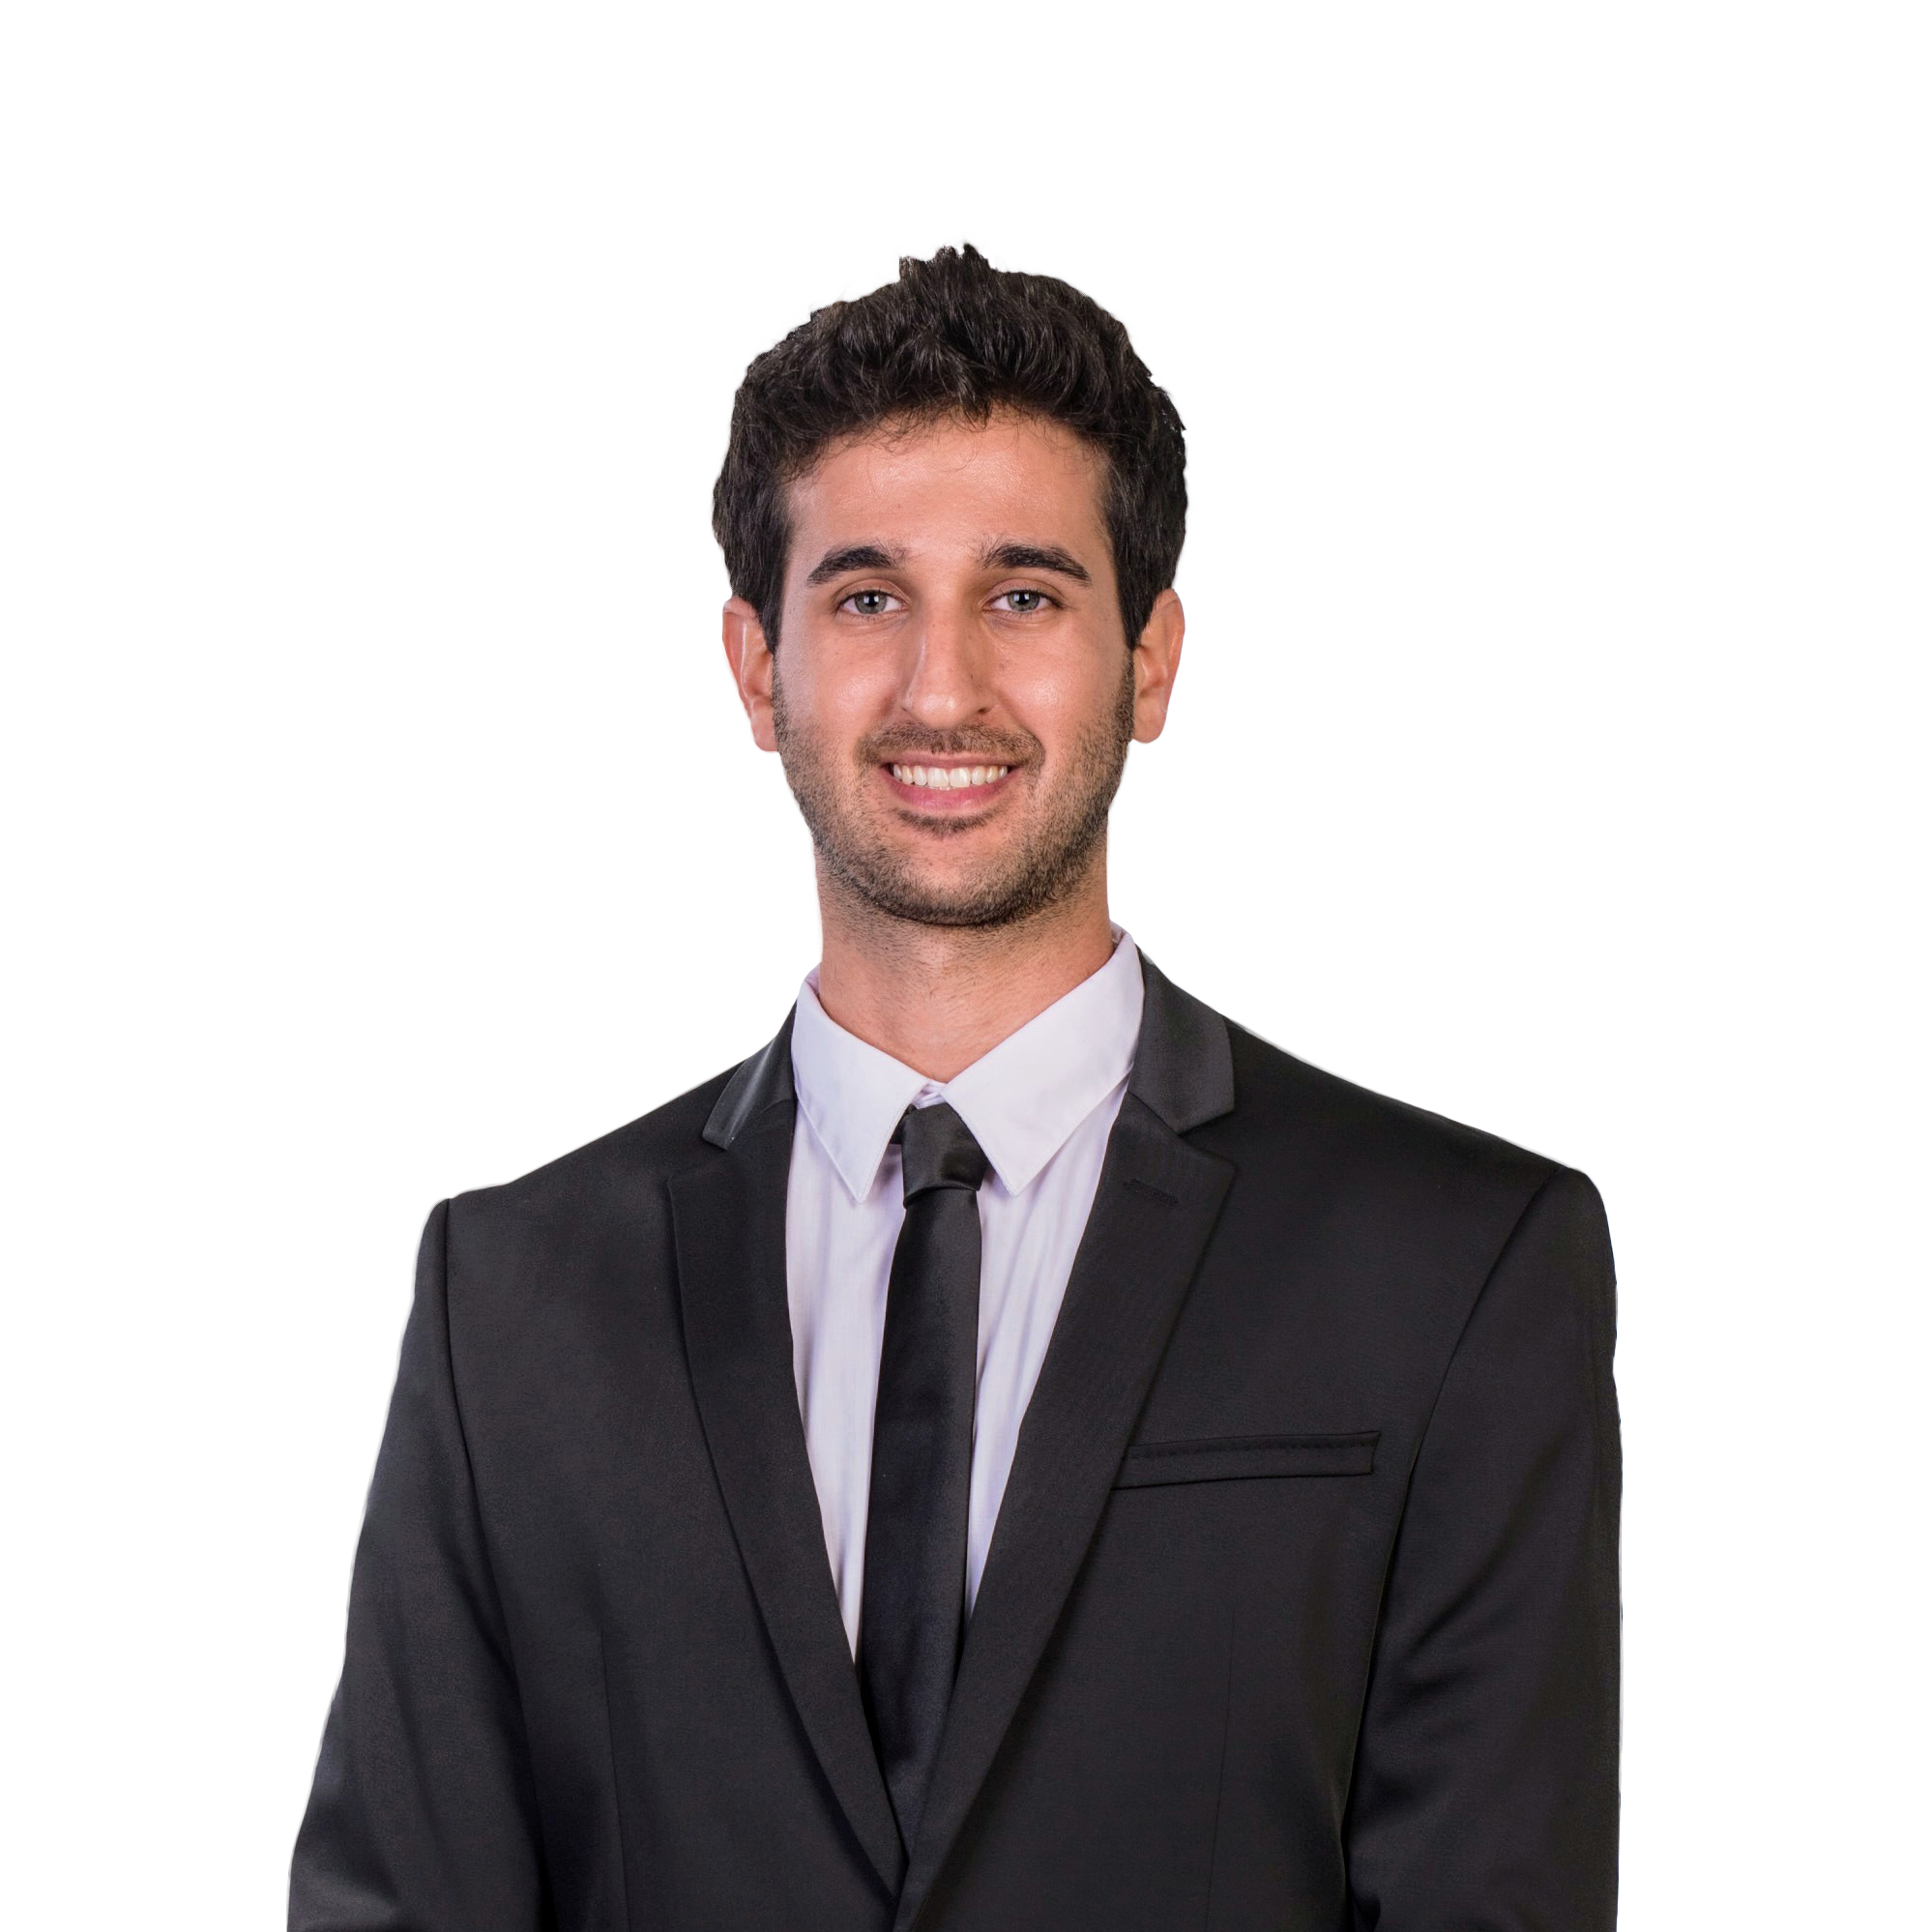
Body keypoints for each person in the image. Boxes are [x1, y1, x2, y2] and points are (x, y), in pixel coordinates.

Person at [289, 236, 1624, 1931]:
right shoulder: (511, 1303)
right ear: (757, 666)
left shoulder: (1455, 1269)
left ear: (1148, 657)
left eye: (1023, 594)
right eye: (866, 597)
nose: (942, 687)